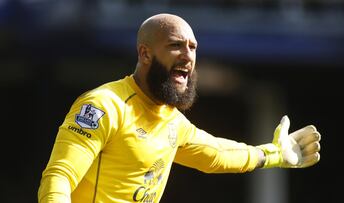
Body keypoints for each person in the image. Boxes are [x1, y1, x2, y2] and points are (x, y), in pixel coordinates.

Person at [38, 13, 321, 203]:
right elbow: (59, 176)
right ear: (145, 53)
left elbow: (217, 154)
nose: (188, 55)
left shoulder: (172, 121)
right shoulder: (104, 106)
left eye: (193, 47)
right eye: (175, 45)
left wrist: (273, 154)